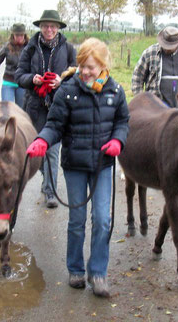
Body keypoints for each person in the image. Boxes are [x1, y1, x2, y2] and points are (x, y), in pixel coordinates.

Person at [26, 38, 129, 297]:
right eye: (82, 65)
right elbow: (54, 125)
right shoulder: (67, 91)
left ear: (103, 66)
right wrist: (41, 140)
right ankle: (75, 269)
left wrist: (118, 140)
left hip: (103, 166)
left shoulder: (115, 92)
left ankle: (98, 273)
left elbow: (123, 121)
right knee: (77, 219)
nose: (85, 72)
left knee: (103, 220)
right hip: (74, 165)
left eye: (91, 67)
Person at [14, 10, 76, 208]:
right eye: (46, 26)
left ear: (58, 28)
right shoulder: (30, 48)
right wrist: (32, 79)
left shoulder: (67, 48)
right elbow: (19, 75)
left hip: (58, 106)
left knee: (52, 151)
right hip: (34, 107)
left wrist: (62, 80)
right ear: (41, 27)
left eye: (53, 26)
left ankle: (50, 191)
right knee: (36, 150)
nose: (49, 29)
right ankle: (45, 178)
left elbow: (77, 74)